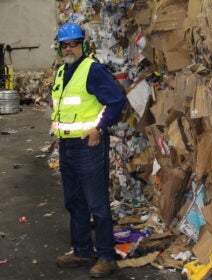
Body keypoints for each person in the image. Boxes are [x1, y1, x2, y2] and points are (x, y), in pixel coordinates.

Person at [51, 22, 127, 278]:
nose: (69, 48)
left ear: (82, 44)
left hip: (88, 146)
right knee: (74, 202)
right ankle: (82, 250)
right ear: (60, 48)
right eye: (65, 45)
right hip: (67, 146)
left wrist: (99, 129)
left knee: (97, 204)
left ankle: (106, 256)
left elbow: (116, 101)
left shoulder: (92, 69)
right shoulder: (62, 72)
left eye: (74, 43)